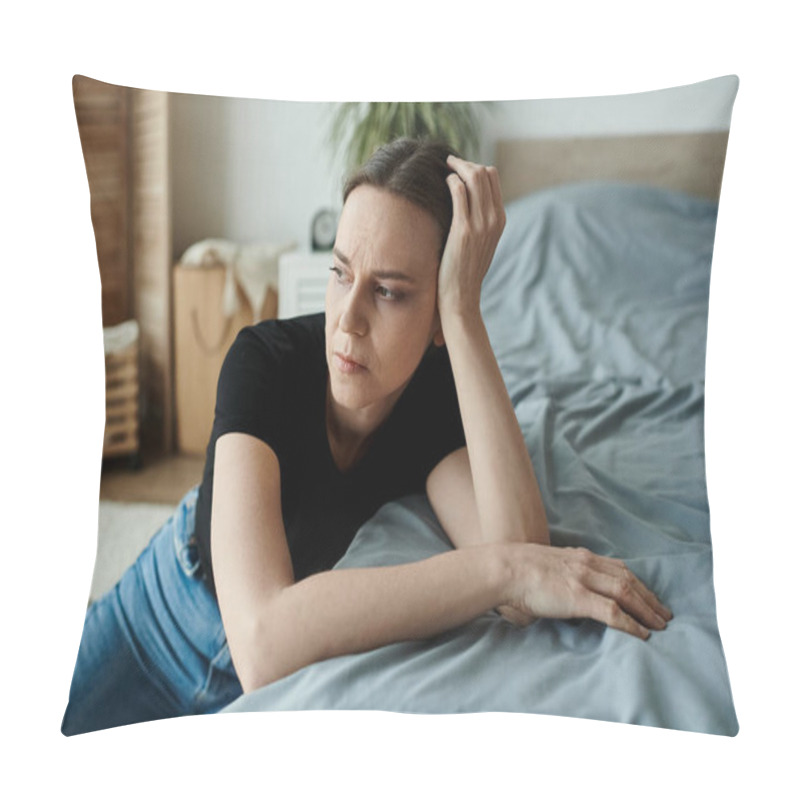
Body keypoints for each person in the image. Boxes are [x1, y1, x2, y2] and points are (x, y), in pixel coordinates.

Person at [61, 138, 672, 736]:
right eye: (341, 273)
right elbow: (261, 646)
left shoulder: (432, 392)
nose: (347, 320)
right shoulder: (263, 362)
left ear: (435, 310)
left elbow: (525, 567)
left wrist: (462, 312)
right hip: (160, 620)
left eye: (388, 292)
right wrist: (504, 571)